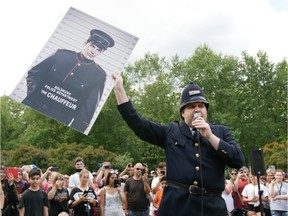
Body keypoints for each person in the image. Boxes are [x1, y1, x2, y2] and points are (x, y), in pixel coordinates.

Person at [112, 74, 245, 216]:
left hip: (211, 208)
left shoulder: (220, 131)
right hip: (176, 206)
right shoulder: (171, 131)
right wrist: (119, 89)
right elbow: (139, 125)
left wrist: (210, 137)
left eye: (201, 106)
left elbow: (238, 161)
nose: (197, 110)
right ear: (183, 112)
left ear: (206, 110)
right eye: (191, 106)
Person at [22, 29, 115, 133]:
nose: (93, 51)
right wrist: (34, 93)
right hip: (31, 107)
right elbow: (35, 73)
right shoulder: (61, 54)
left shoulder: (99, 75)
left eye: (98, 50)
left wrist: (74, 131)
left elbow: (88, 109)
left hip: (57, 123)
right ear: (86, 42)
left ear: (101, 52)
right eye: (92, 46)